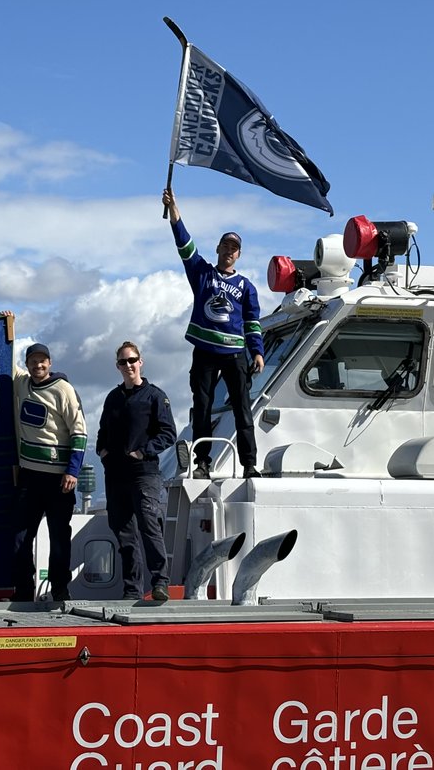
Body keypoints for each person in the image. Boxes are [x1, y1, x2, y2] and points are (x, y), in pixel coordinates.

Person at [162, 187, 265, 479]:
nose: (229, 252)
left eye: (234, 249)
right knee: (203, 408)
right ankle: (203, 462)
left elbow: (252, 321)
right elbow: (185, 245)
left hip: (234, 353)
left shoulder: (247, 287)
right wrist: (174, 211)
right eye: (225, 246)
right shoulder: (202, 273)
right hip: (205, 350)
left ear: (239, 254)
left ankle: (249, 464)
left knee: (243, 410)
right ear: (218, 249)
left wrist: (257, 351)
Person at [5, 326, 86, 602]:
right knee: (19, 536)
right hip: (29, 477)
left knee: (59, 538)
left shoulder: (63, 389)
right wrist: (7, 329)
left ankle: (60, 589)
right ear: (28, 364)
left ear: (49, 363)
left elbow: (79, 431)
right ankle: (24, 591)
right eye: (33, 360)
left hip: (58, 479)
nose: (38, 364)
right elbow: (6, 359)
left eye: (42, 360)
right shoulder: (22, 383)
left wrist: (72, 470)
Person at [96, 341, 177, 602]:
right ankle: (131, 590)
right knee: (124, 534)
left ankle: (160, 583)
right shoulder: (112, 397)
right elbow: (102, 432)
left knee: (148, 524)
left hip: (144, 472)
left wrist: (144, 451)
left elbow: (168, 433)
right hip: (116, 475)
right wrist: (102, 451)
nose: (128, 365)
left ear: (140, 362)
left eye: (132, 360)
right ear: (117, 366)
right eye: (123, 361)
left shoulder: (155, 395)